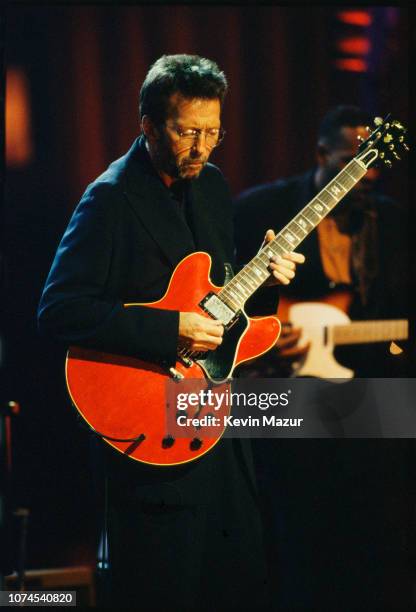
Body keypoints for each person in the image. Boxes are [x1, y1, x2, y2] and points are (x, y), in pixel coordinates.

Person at [37, 54, 305, 610]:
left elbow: (221, 301)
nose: (202, 148)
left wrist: (268, 280)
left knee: (239, 582)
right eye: (188, 132)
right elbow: (60, 309)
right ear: (149, 125)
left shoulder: (212, 186)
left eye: (213, 132)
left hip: (215, 422)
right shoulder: (109, 198)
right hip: (149, 426)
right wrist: (171, 329)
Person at [233, 106, 412, 609]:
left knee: (376, 534)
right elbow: (223, 293)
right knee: (295, 535)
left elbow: (399, 321)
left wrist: (395, 345)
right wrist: (261, 339)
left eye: (374, 164)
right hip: (281, 388)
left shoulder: (394, 223)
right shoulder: (259, 209)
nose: (366, 174)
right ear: (320, 154)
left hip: (372, 395)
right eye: (351, 161)